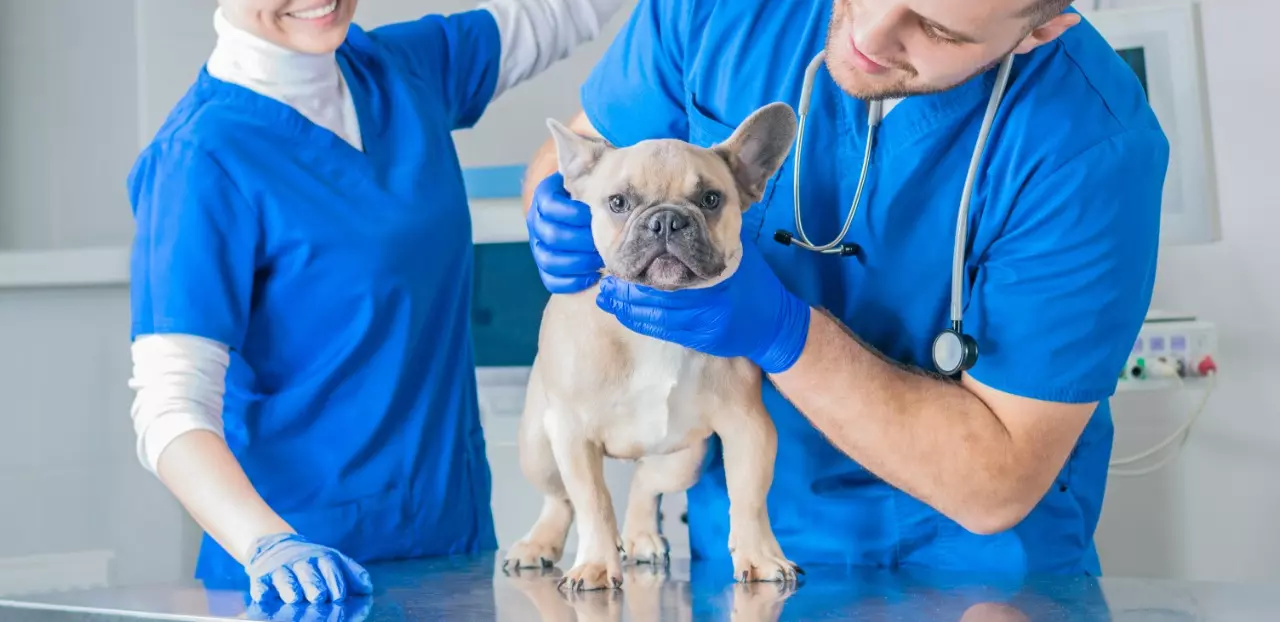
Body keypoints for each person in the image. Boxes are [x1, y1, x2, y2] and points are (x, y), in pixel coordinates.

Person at [523, 0, 1168, 576]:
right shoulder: (711, 9)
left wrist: (786, 334)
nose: (872, 31)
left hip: (971, 575)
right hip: (748, 549)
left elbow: (996, 484)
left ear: (1038, 29)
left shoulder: (1091, 148)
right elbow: (575, 152)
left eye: (937, 29)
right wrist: (549, 208)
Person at [126, 0, 626, 604]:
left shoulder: (399, 70)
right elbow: (170, 407)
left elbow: (561, 13)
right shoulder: (199, 159)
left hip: (450, 549)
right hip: (301, 579)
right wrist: (267, 543)